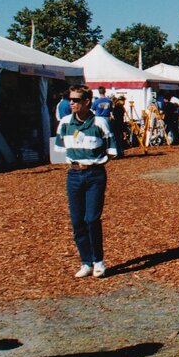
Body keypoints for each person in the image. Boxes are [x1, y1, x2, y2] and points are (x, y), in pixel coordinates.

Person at [54, 86, 116, 278]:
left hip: (94, 174)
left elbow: (111, 150)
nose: (71, 103)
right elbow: (59, 149)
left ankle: (98, 261)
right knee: (77, 221)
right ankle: (86, 262)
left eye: (75, 100)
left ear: (87, 102)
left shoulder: (100, 123)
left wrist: (95, 163)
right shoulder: (65, 123)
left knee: (92, 219)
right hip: (73, 175)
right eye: (70, 99)